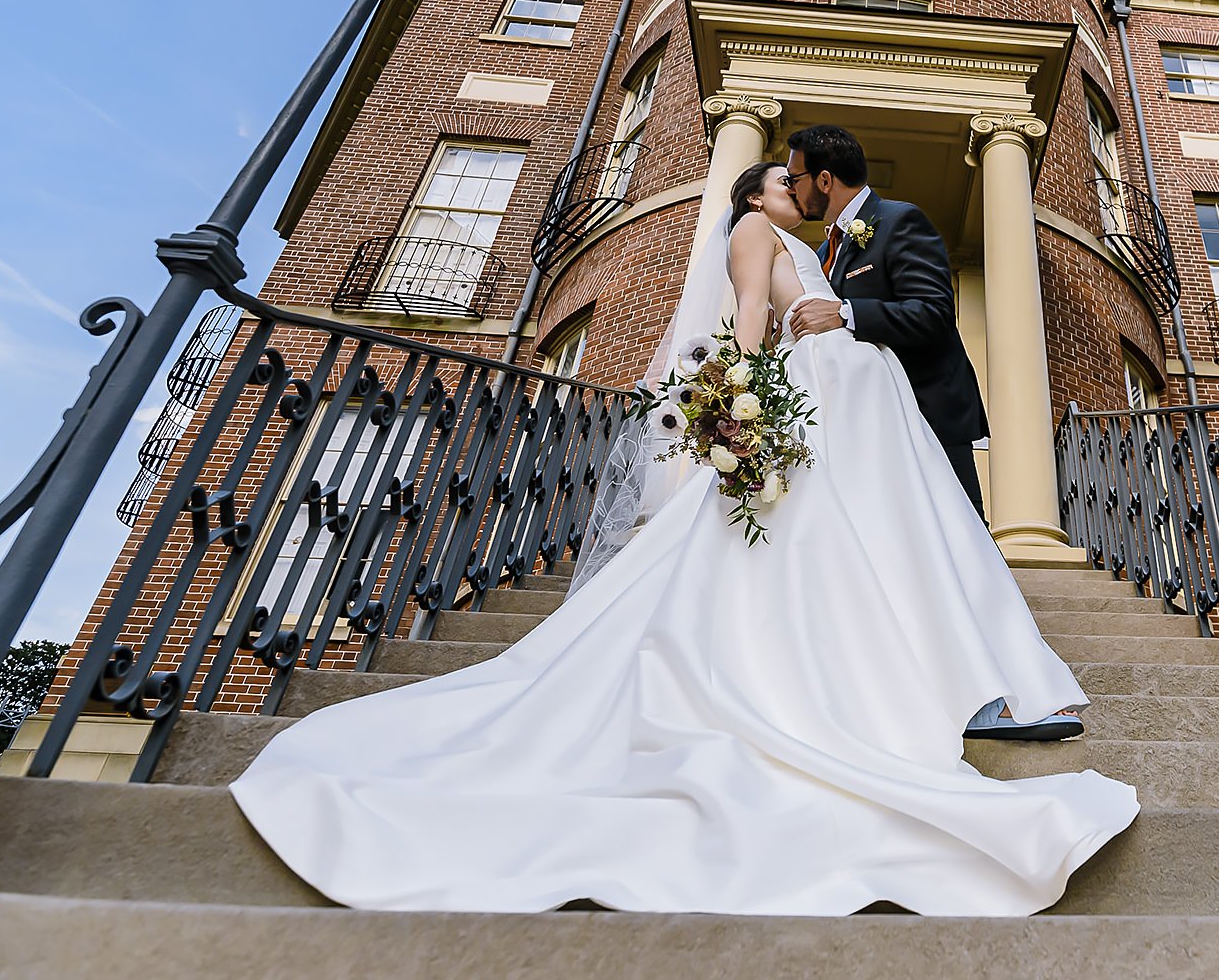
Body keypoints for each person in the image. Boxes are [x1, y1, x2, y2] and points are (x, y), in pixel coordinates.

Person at [227, 161, 1139, 915]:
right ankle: (874, 689)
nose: (799, 190)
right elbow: (748, 317)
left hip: (851, 414)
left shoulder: (810, 242)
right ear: (754, 195)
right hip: (803, 407)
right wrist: (741, 408)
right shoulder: (754, 233)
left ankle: (920, 678)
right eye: (785, 181)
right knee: (798, 550)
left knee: (846, 550)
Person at [784, 124, 1086, 741]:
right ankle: (938, 693)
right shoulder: (825, 253)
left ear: (823, 178)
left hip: (927, 419)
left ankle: (1006, 693)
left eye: (794, 177)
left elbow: (930, 312)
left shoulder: (899, 220)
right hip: (873, 436)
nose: (792, 189)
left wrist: (846, 312)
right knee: (905, 564)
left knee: (961, 557)